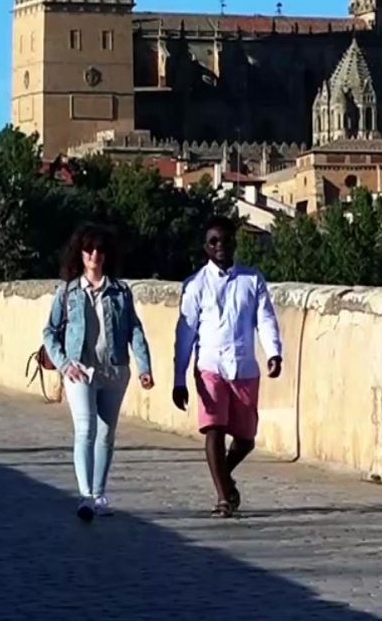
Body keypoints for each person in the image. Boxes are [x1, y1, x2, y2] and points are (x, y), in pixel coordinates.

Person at [42, 223, 155, 522]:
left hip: (114, 369)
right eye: (89, 249)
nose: (95, 255)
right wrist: (64, 363)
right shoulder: (67, 292)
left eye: (100, 250)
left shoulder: (120, 292)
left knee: (106, 434)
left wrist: (144, 367)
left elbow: (134, 329)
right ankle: (85, 496)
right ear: (80, 253)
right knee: (86, 428)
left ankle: (99, 492)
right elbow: (50, 331)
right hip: (79, 370)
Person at [173, 215, 282, 518]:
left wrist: (274, 352)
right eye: (213, 241)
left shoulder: (252, 280)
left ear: (235, 242)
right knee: (214, 429)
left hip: (244, 366)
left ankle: (224, 473)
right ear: (205, 246)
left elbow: (265, 318)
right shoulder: (194, 285)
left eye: (225, 240)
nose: (220, 246)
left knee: (246, 438)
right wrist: (178, 378)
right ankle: (223, 497)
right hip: (209, 365)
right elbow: (184, 333)